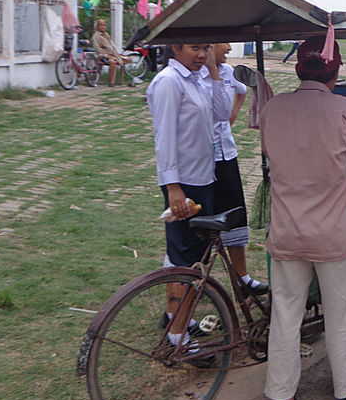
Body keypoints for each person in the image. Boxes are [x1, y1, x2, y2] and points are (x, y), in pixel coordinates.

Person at [260, 35, 346, 400]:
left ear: (299, 69)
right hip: (332, 234)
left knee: (285, 311)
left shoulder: (273, 109)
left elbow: (271, 152)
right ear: (335, 70)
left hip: (287, 231)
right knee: (341, 311)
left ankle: (282, 391)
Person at [146, 42, 232, 346]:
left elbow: (223, 114)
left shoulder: (198, 78)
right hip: (183, 183)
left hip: (203, 177)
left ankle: (177, 318)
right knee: (184, 259)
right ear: (175, 48)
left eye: (205, 47)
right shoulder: (169, 83)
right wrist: (172, 187)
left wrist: (213, 72)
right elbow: (164, 137)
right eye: (195, 48)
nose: (201, 54)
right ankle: (177, 337)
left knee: (190, 257)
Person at [209, 42, 267, 294]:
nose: (230, 47)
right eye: (225, 43)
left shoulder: (228, 72)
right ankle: (192, 280)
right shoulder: (198, 75)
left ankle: (242, 278)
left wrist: (231, 117)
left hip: (227, 155)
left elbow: (242, 90)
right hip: (202, 159)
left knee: (235, 216)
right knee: (205, 223)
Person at [91, 19, 128, 87]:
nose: (102, 27)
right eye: (101, 25)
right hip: (102, 56)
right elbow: (97, 49)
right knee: (112, 61)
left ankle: (121, 81)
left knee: (128, 59)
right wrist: (105, 55)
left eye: (104, 25)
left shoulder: (106, 34)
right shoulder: (96, 36)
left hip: (112, 54)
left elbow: (112, 46)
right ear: (97, 27)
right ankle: (111, 82)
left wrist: (115, 55)